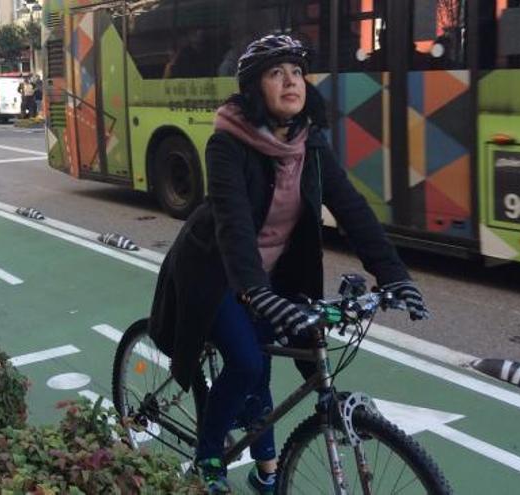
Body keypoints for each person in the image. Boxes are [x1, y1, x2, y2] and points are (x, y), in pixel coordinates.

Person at [147, 34, 429, 494]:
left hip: (271, 276)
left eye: (297, 72)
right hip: (216, 273)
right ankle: (209, 458)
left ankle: (267, 470)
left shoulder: (308, 143)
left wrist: (395, 275)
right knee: (244, 361)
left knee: (267, 364)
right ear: (254, 88)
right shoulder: (227, 144)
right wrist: (254, 291)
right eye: (276, 73)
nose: (291, 81)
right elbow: (234, 225)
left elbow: (352, 209)